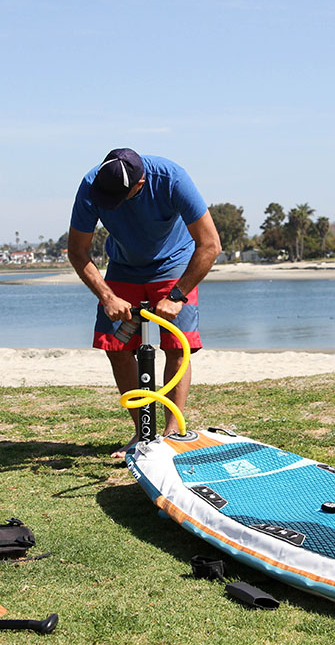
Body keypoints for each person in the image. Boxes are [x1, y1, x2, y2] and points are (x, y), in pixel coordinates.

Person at [67, 148, 221, 458]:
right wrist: (107, 296)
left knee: (177, 347)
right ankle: (143, 434)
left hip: (174, 265)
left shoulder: (172, 178)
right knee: (117, 348)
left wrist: (177, 296)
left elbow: (210, 245)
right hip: (124, 266)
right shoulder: (92, 184)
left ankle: (173, 436)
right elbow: (77, 251)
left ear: (140, 183)